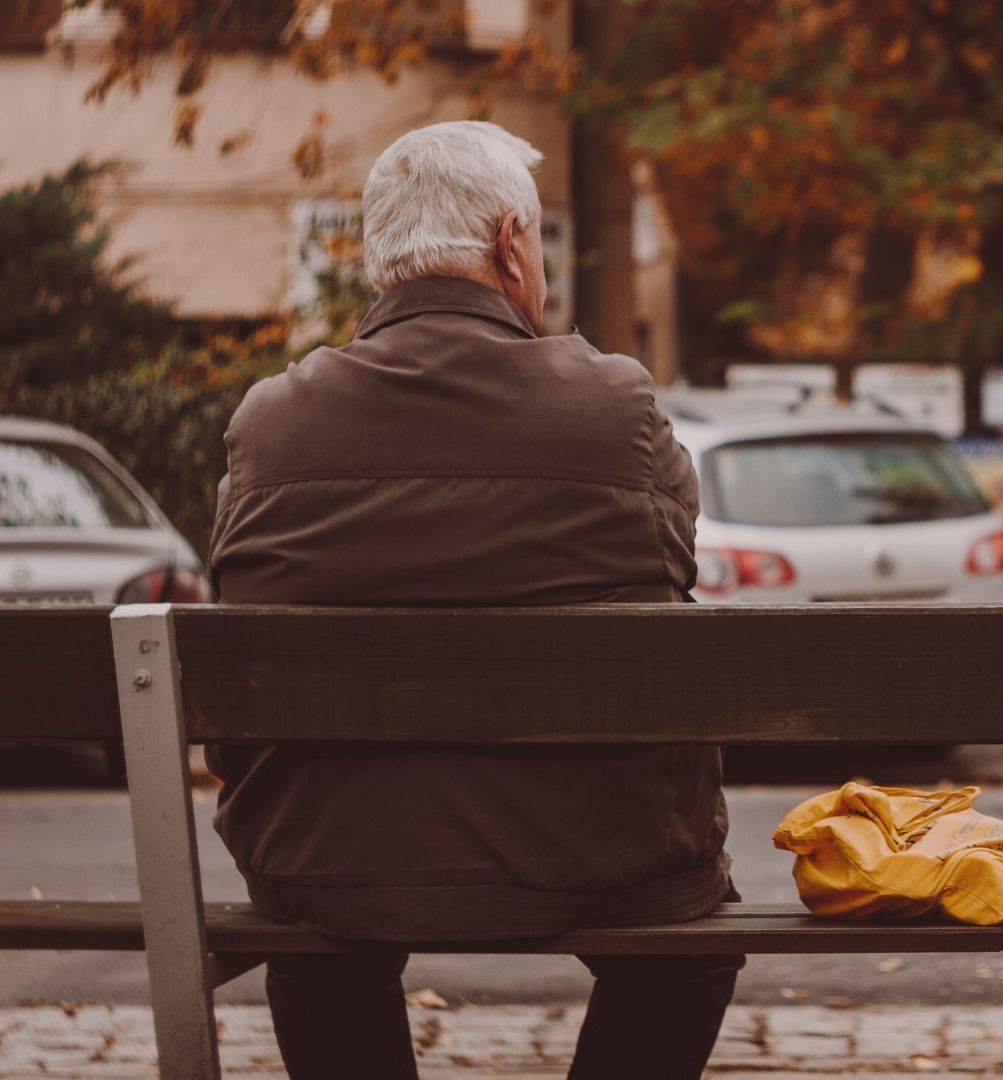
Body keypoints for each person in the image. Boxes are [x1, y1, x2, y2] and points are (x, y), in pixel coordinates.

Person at [207, 121, 738, 1080]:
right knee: (685, 951)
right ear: (509, 245)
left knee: (318, 945)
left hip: (329, 860)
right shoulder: (613, 407)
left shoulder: (272, 423)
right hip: (600, 854)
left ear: (380, 260)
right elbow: (672, 566)